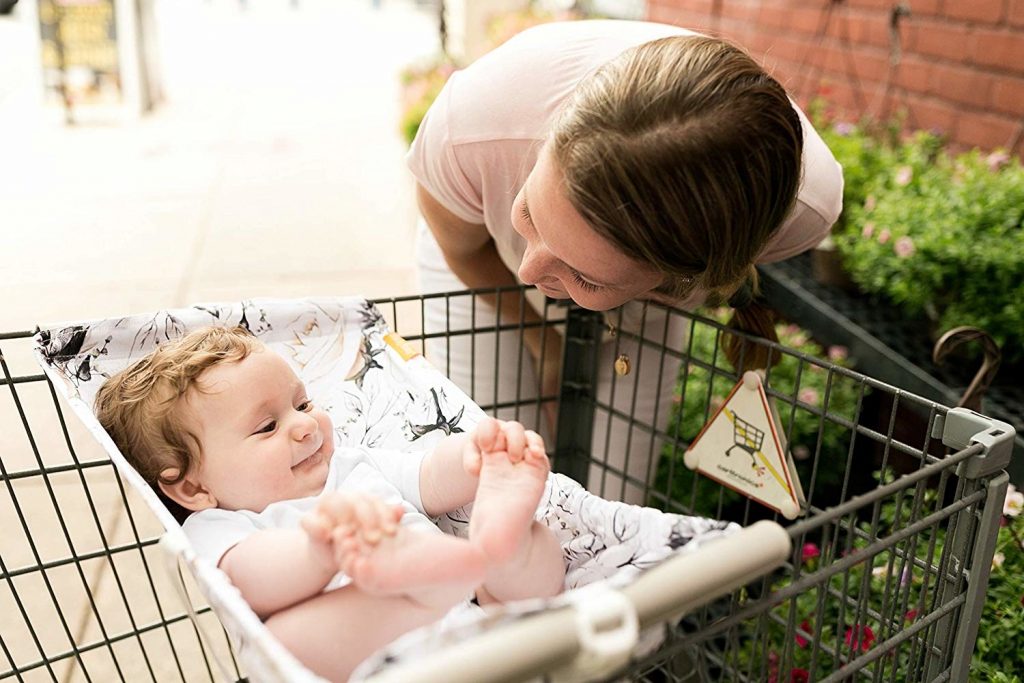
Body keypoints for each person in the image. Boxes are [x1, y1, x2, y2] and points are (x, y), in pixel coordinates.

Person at [408, 20, 843, 504]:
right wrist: (542, 342)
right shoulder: (472, 127)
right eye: (529, 212)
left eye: (585, 276)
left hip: (649, 300)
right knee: (484, 483)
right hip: (481, 265)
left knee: (614, 496)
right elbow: (465, 251)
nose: (528, 273)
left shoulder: (804, 212)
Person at [94, 326, 564, 682]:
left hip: (481, 615)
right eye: (267, 428)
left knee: (537, 544)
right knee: (283, 643)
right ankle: (432, 586)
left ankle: (504, 543)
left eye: (302, 404)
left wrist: (473, 458)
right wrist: (321, 551)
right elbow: (251, 580)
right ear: (193, 489)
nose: (305, 425)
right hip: (382, 654)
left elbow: (426, 478)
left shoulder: (350, 463)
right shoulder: (217, 525)